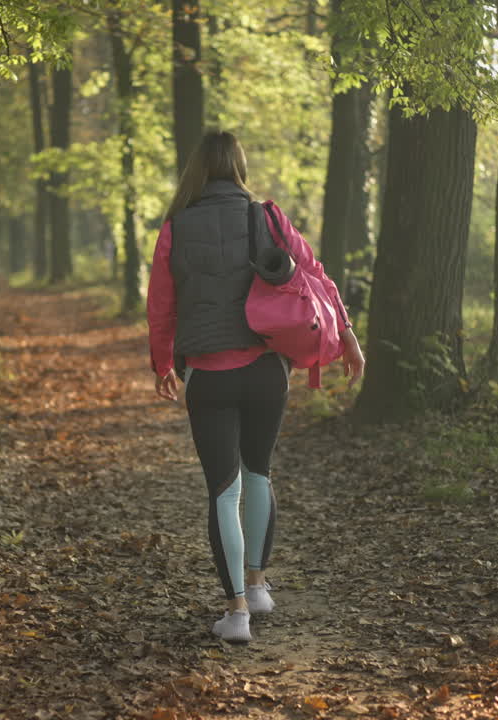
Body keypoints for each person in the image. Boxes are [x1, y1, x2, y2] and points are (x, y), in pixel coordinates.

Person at [146, 131, 365, 643]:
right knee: (259, 473)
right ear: (239, 166)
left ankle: (237, 613)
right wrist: (348, 337)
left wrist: (163, 364)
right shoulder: (265, 215)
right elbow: (316, 276)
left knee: (225, 490)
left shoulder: (175, 227)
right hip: (268, 370)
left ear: (196, 169)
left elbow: (161, 304)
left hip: (210, 375)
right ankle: (260, 584)